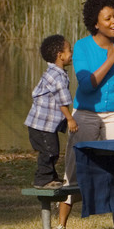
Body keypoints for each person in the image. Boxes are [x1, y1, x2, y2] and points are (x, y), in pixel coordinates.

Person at [56, 0, 114, 229]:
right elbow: (87, 85)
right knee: (75, 169)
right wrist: (111, 59)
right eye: (108, 18)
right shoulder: (81, 47)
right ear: (95, 23)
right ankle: (61, 226)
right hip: (87, 115)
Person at [25, 34, 78, 189]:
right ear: (60, 56)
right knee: (50, 151)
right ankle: (42, 179)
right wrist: (70, 119)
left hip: (43, 125)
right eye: (69, 51)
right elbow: (63, 101)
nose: (71, 54)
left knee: (51, 150)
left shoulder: (54, 73)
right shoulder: (57, 77)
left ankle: (51, 177)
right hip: (41, 125)